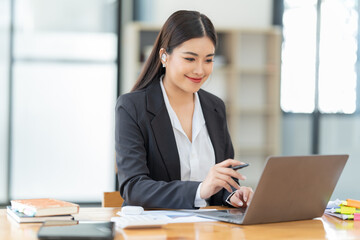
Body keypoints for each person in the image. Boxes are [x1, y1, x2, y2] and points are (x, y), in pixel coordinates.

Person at [115, 10, 253, 209]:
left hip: (207, 230)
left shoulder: (215, 107)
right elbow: (133, 188)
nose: (200, 70)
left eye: (208, 60)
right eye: (190, 59)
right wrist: (199, 191)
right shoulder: (132, 107)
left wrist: (233, 194)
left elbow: (221, 182)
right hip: (154, 230)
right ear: (164, 56)